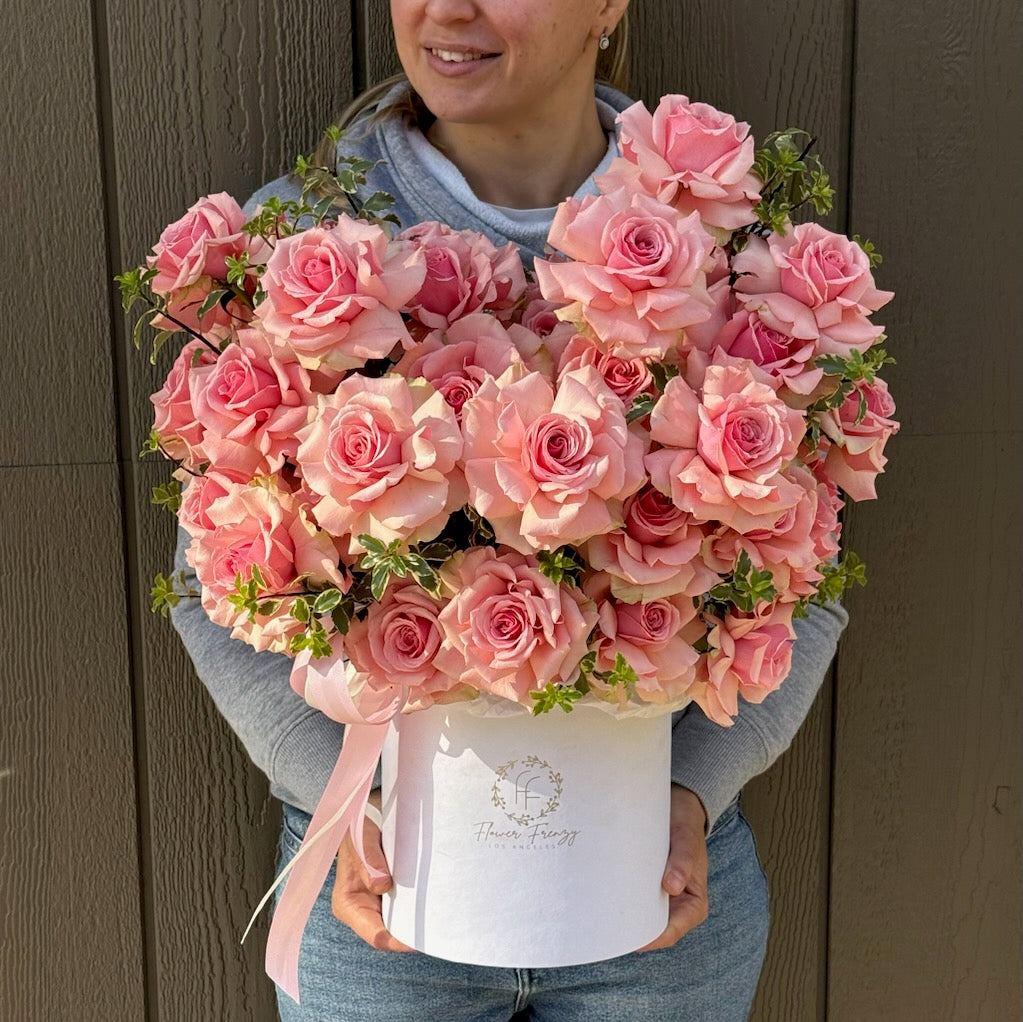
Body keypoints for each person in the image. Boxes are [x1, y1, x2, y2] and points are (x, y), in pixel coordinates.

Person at [170, 1, 849, 1018]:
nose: (446, 9)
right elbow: (213, 579)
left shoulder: (740, 257)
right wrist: (338, 800)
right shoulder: (306, 241)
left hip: (655, 917)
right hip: (386, 916)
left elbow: (812, 574)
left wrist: (691, 794)